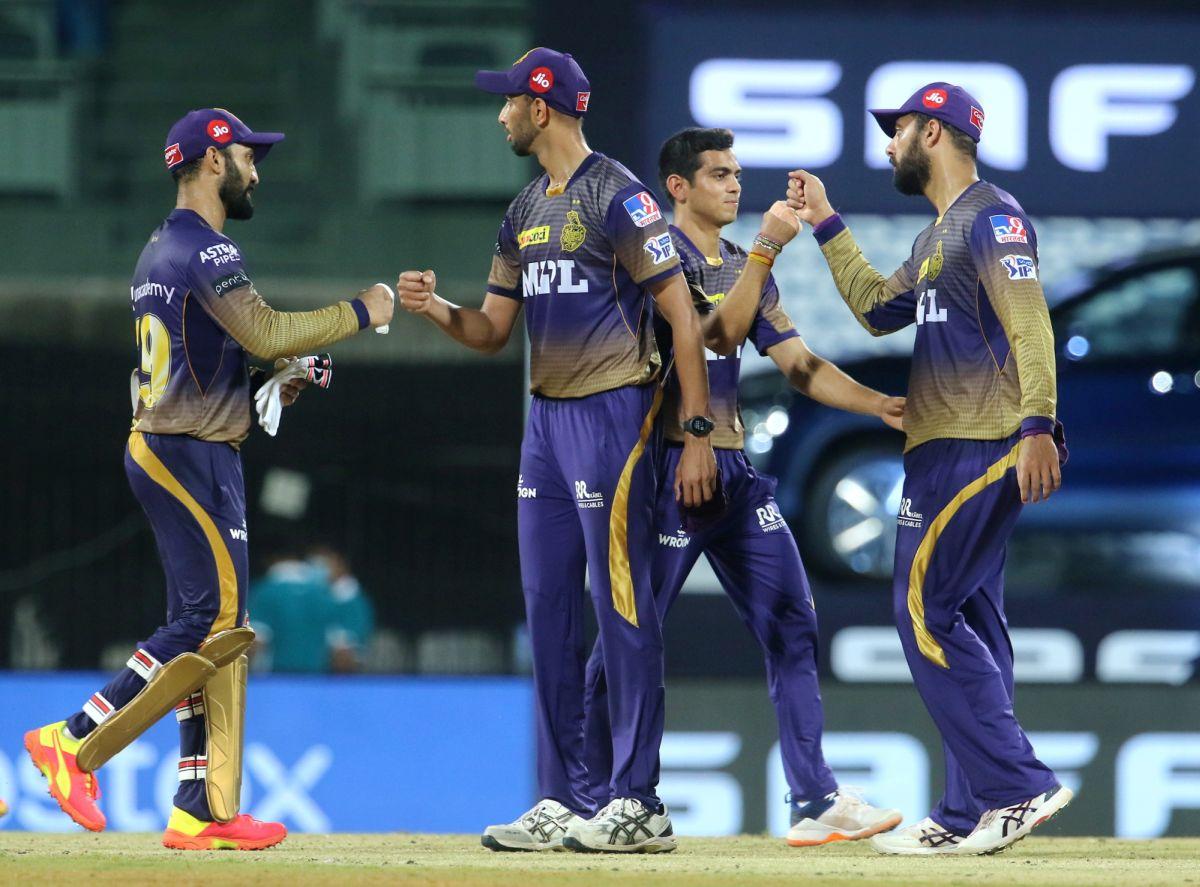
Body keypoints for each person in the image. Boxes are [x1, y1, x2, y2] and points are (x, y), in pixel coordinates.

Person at [23, 108, 393, 849]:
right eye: (250, 156)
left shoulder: (163, 246)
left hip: (184, 443)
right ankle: (72, 739)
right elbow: (266, 331)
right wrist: (364, 309)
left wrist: (269, 379)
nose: (259, 169)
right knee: (213, 620)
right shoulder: (209, 249)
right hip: (185, 448)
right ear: (214, 159)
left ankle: (202, 806)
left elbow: (218, 353)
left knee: (217, 630)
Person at [397, 48, 717, 853]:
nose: (499, 113)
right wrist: (437, 308)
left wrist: (699, 430)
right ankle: (564, 797)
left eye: (507, 102)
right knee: (548, 609)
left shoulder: (620, 195)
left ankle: (636, 799)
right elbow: (493, 332)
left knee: (621, 606)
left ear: (541, 108)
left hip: (615, 415)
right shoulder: (522, 211)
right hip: (544, 425)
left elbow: (682, 317)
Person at [582, 127, 906, 847]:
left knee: (793, 622)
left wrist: (877, 404)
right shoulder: (649, 259)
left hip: (733, 476)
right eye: (719, 173)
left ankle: (814, 795)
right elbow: (712, 334)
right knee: (626, 638)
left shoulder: (737, 261)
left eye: (737, 173)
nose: (734, 185)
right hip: (666, 470)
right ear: (678, 187)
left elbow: (797, 363)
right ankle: (593, 795)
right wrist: (765, 250)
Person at [788, 82, 1071, 855]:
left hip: (982, 444)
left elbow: (1030, 323)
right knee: (973, 618)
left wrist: (1039, 424)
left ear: (936, 134)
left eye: (900, 127)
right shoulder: (940, 232)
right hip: (943, 447)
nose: (889, 143)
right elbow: (879, 308)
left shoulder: (992, 217)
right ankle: (964, 810)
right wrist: (826, 222)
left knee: (923, 611)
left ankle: (1017, 785)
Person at [308, 546, 376, 673]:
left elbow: (348, 651)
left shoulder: (353, 599)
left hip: (346, 674)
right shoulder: (319, 596)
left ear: (341, 565)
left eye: (323, 564)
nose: (317, 570)